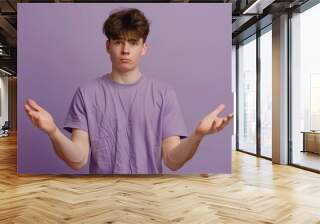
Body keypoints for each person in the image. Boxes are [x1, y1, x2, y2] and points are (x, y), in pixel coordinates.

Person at [24, 8, 233, 174]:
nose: (125, 50)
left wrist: (198, 135)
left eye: (133, 43)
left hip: (150, 197)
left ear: (144, 48)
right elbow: (78, 159)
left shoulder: (163, 94)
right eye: (118, 42)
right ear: (108, 46)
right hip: (101, 197)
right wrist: (52, 132)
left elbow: (172, 160)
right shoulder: (86, 94)